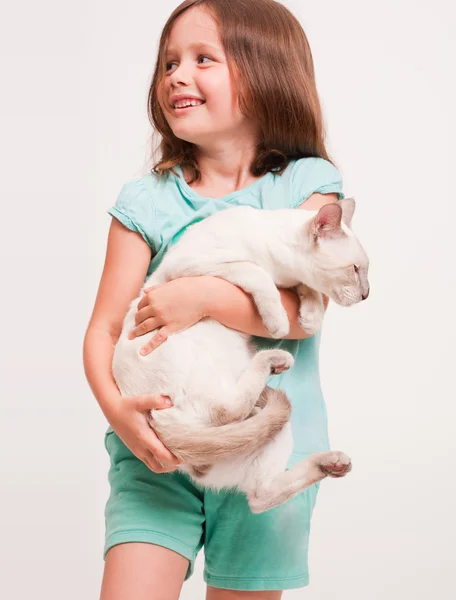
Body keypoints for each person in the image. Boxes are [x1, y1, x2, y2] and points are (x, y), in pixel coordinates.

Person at [83, 1, 346, 598]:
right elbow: (102, 331)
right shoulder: (145, 201)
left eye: (203, 59)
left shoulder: (304, 185)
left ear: (266, 75)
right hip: (155, 446)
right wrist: (118, 413)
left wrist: (201, 297)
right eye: (169, 62)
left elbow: (304, 314)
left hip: (268, 449)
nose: (177, 74)